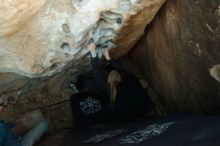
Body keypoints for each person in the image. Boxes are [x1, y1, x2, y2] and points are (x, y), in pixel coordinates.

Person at [103, 50, 154, 120]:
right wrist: (108, 58)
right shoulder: (130, 77)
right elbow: (122, 71)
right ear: (119, 75)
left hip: (135, 118)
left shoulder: (113, 96)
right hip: (148, 108)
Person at [71, 41, 110, 127]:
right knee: (92, 76)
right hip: (99, 91)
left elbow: (97, 71)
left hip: (97, 91)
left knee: (82, 78)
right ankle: (79, 88)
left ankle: (78, 88)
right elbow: (97, 71)